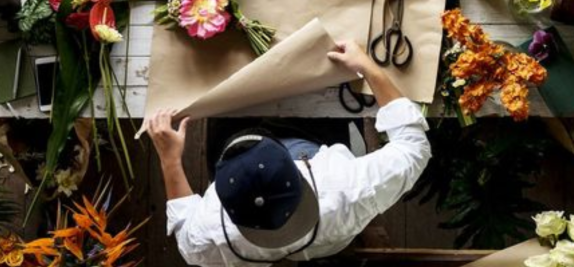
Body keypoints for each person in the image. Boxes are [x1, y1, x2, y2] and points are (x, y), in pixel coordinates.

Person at [146, 40, 431, 267]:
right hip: (309, 144)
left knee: (223, 74)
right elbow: (413, 147)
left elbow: (184, 228)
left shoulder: (209, 236)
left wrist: (170, 160)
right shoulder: (345, 190)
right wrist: (368, 67)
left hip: (232, 142)